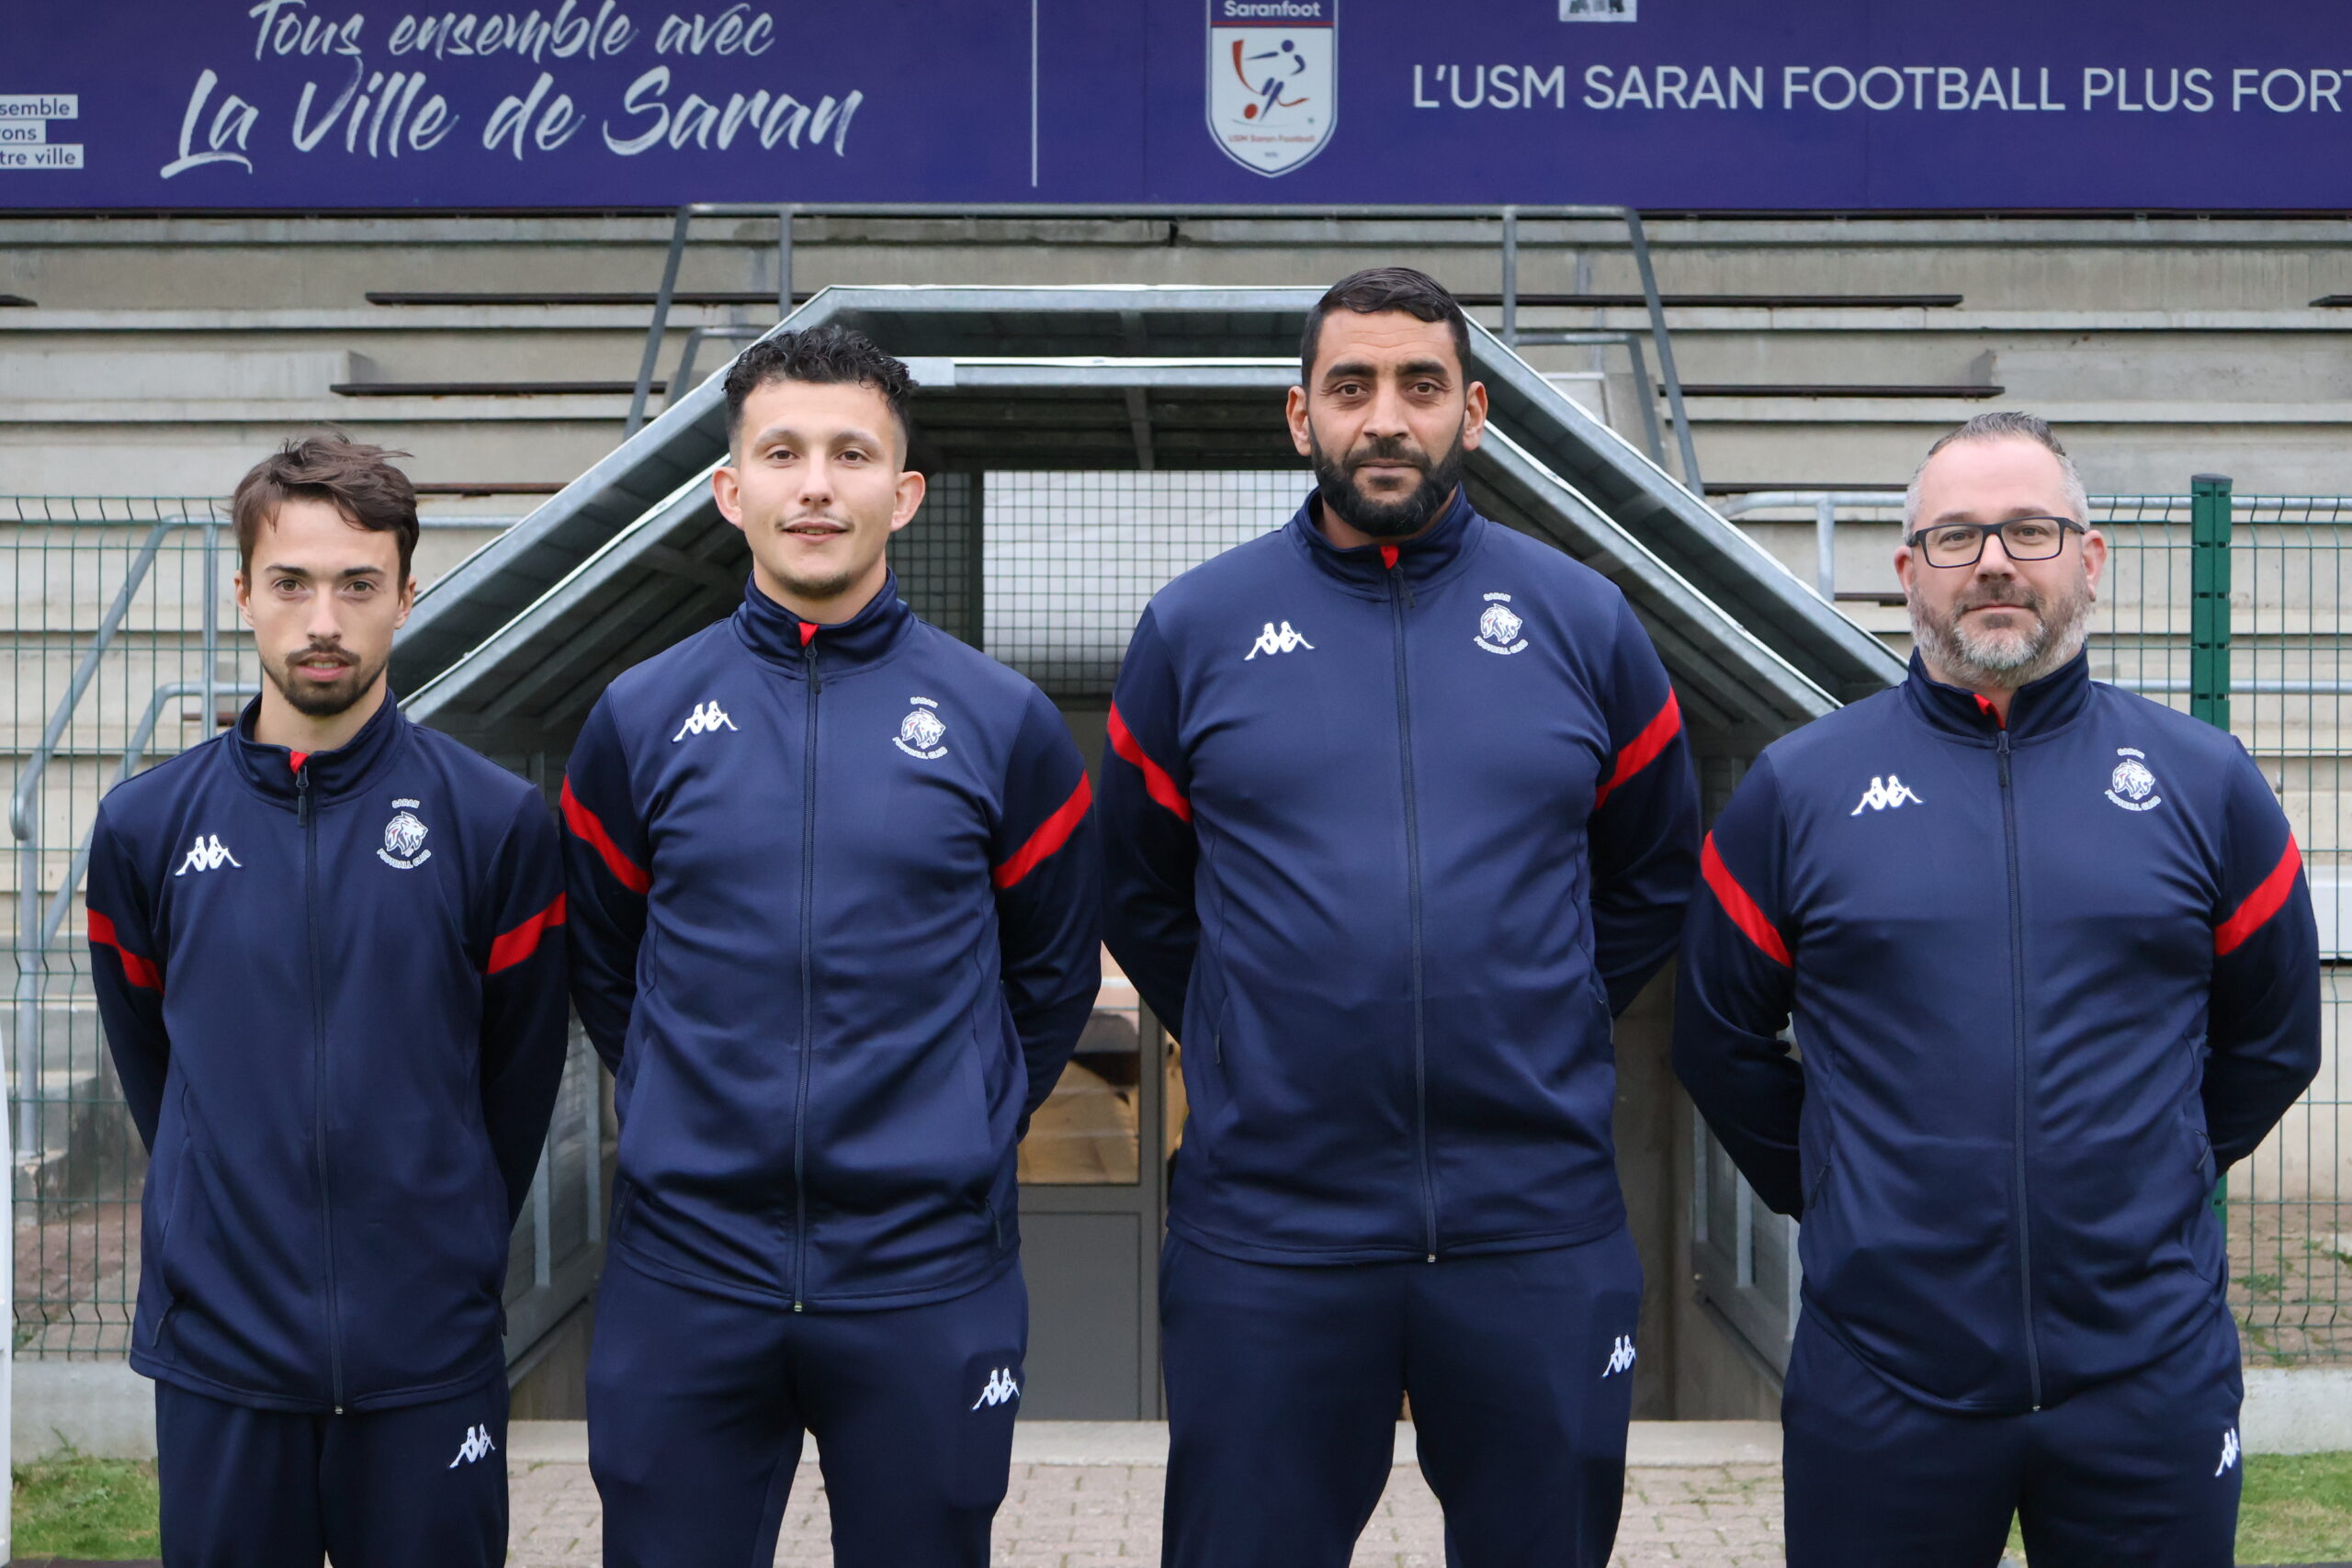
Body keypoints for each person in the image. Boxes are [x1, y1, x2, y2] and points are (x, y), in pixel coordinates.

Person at [1100, 267, 1699, 1568]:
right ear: (1299, 416)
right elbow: (1139, 888)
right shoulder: (1196, 628)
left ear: (1472, 413)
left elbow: (1652, 871)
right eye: (1351, 386)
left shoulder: (1584, 621)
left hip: (1532, 1220)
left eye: (1421, 386)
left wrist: (1540, 1004)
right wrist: (1256, 1022)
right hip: (1273, 1229)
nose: (1385, 417)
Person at [1676, 412, 2322, 1567]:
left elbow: (2274, 1041)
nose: (1992, 562)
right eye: (1956, 535)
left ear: (2089, 558)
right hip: (1883, 1381)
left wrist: (2157, 1166)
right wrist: (1840, 1187)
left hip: (2146, 1378)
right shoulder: (1797, 789)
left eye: (2029, 530)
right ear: (1906, 570)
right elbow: (1717, 1043)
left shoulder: (2206, 784)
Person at [563, 325, 1102, 1568]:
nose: (816, 485)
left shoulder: (1002, 722)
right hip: (690, 1267)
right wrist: (683, 1103)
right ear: (729, 489)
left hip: (925, 1270)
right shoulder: (639, 717)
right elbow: (606, 961)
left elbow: (1051, 975)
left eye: (851, 454)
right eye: (783, 453)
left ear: (903, 495)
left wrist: (960, 1117)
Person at [85, 436, 571, 1567]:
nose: (323, 620)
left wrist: (438, 1244)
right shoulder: (145, 828)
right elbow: (155, 1062)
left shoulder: (494, 823)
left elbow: (516, 1080)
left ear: (405, 595)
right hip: (223, 1356)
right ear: (243, 592)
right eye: (291, 583)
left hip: (425, 1355)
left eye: (357, 585)